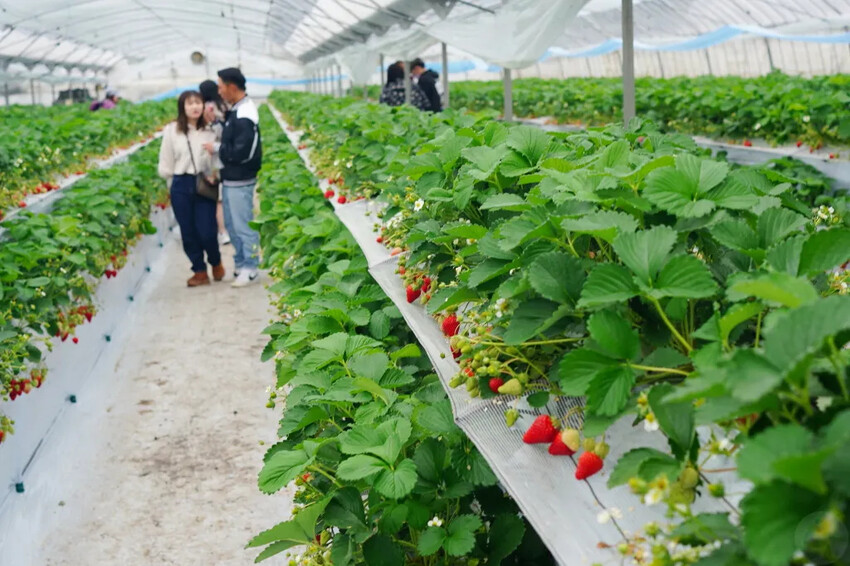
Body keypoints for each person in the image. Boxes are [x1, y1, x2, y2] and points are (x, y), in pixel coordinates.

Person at [157, 90, 224, 287]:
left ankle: (215, 260)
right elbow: (166, 159)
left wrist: (215, 174)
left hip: (204, 183)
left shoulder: (211, 130)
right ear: (182, 107)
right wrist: (170, 181)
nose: (195, 107)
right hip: (180, 183)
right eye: (190, 103)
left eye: (198, 103)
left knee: (207, 230)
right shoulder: (172, 130)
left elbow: (219, 156)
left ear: (204, 106)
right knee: (188, 231)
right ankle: (199, 271)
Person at [204, 67, 262, 288]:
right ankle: (240, 263)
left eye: (220, 87)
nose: (218, 91)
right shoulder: (236, 110)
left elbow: (243, 151)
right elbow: (233, 138)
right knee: (232, 224)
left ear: (231, 87)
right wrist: (216, 124)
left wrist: (217, 148)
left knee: (243, 224)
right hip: (230, 178)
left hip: (241, 179)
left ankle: (251, 267)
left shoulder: (245, 113)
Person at [199, 79, 231, 247]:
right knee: (222, 197)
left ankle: (222, 231)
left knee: (213, 197)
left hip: (211, 157)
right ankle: (225, 230)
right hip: (224, 157)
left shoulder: (206, 108)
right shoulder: (225, 106)